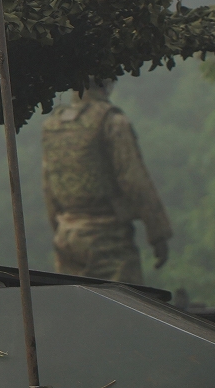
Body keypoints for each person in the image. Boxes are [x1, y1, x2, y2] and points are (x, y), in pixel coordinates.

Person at [41, 79, 172, 285]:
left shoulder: (53, 125)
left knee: (78, 313)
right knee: (122, 312)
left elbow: (49, 187)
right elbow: (134, 180)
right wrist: (158, 233)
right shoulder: (112, 121)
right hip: (108, 239)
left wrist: (59, 229)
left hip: (66, 237)